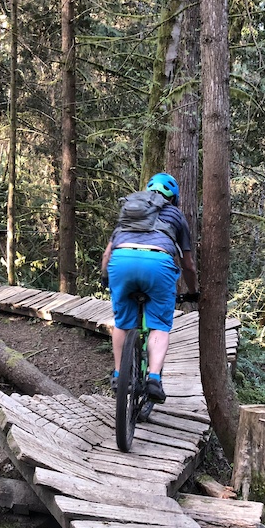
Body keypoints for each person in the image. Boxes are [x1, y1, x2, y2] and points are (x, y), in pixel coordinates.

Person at [100, 173, 199, 403]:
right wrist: (193, 291)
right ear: (173, 198)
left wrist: (106, 278)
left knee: (122, 324)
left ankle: (118, 374)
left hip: (121, 262)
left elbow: (107, 253)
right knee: (159, 327)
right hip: (158, 265)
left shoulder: (129, 211)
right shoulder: (176, 215)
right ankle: (154, 378)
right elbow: (188, 265)